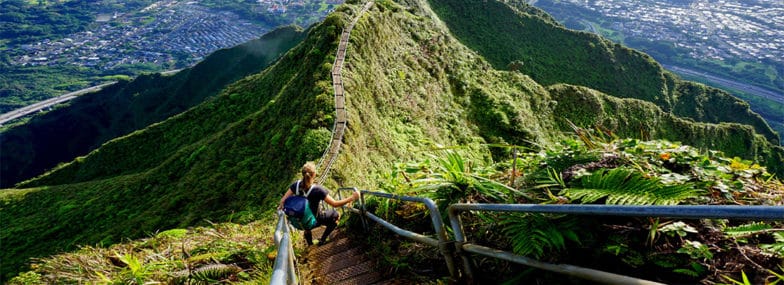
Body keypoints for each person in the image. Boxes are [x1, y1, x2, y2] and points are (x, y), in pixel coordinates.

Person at [278, 162, 360, 245]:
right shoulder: (318, 190)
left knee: (306, 222)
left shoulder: (296, 185)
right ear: (314, 174)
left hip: (300, 222)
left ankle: (310, 244)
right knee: (336, 215)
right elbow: (334, 204)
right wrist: (351, 198)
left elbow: (282, 201)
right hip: (316, 220)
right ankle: (322, 239)